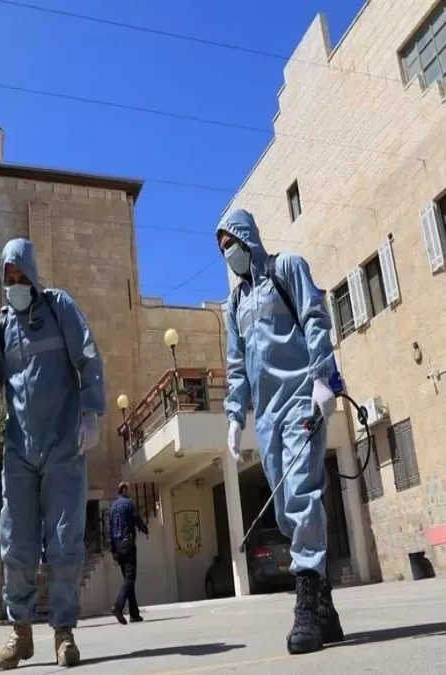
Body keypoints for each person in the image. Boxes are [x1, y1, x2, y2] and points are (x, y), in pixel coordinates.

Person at [0, 237, 106, 670]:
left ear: (31, 273)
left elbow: (87, 356)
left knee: (65, 542)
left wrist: (91, 412)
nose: (13, 283)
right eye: (7, 277)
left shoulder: (59, 307)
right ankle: (21, 632)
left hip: (64, 444)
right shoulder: (0, 326)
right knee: (18, 545)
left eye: (19, 275)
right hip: (20, 450)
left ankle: (63, 633)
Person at [217, 208, 344, 655]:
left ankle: (306, 607)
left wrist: (322, 377)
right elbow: (236, 367)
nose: (228, 251)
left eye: (231, 241)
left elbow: (313, 317)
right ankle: (326, 611)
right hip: (267, 417)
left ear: (248, 237)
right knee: (288, 508)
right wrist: (235, 416)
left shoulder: (286, 267)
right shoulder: (235, 305)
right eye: (222, 247)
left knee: (302, 491)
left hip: (299, 401)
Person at [108, 481, 148, 625]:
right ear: (123, 490)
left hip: (118, 547)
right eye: (128, 489)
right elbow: (136, 518)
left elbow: (110, 530)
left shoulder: (112, 507)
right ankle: (118, 605)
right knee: (130, 579)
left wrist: (113, 550)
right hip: (128, 543)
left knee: (128, 580)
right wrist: (144, 529)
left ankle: (134, 613)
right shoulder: (128, 503)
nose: (129, 492)